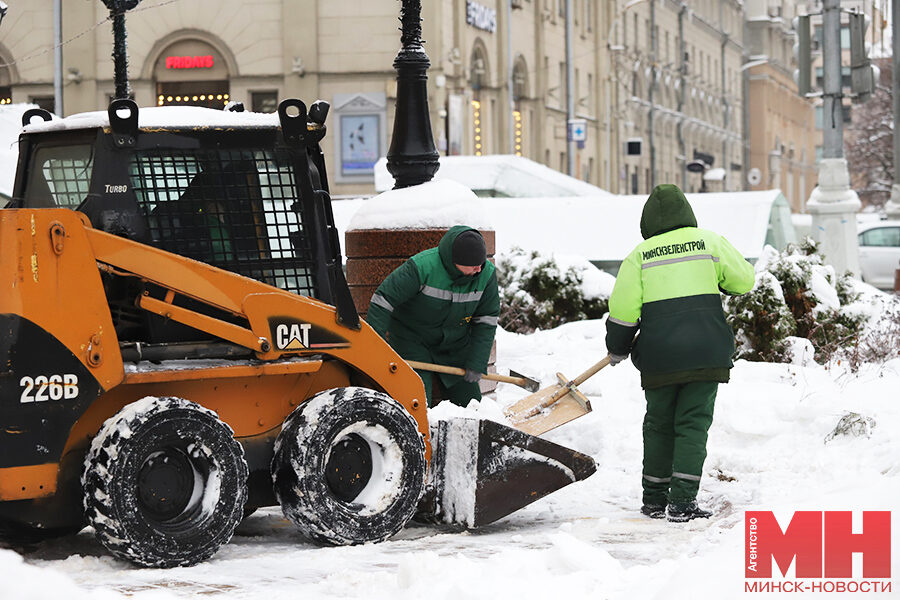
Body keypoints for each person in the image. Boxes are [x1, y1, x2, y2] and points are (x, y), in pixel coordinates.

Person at [605, 184, 755, 523]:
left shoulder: (639, 255)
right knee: (692, 424)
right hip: (705, 351)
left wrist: (617, 347)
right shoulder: (710, 242)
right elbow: (744, 281)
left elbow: (622, 310)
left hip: (659, 356)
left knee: (658, 424)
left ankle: (654, 500)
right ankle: (683, 502)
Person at [367, 225, 500, 407]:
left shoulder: (486, 274)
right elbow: (383, 300)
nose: (479, 269)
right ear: (455, 262)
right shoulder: (422, 267)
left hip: (454, 345)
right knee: (417, 402)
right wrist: (374, 347)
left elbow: (487, 320)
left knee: (472, 404)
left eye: (481, 264)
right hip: (412, 340)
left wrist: (477, 361)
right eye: (473, 266)